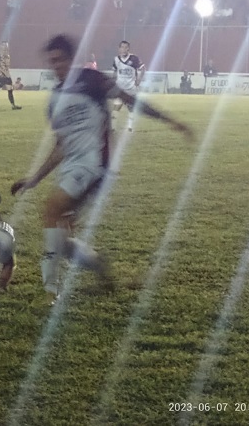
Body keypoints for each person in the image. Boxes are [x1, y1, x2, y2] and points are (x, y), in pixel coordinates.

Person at [11, 34, 193, 305]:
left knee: (50, 211)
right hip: (72, 167)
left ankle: (50, 292)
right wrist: (34, 179)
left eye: (60, 60)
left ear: (72, 59)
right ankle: (97, 264)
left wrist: (170, 120)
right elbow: (61, 146)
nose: (56, 66)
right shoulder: (54, 100)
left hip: (97, 164)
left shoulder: (91, 80)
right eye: (52, 61)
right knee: (61, 236)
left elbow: (130, 99)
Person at [112, 40, 145, 132]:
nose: (124, 49)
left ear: (128, 49)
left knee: (131, 108)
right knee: (116, 108)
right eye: (122, 47)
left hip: (131, 89)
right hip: (120, 89)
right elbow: (115, 71)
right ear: (119, 49)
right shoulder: (116, 59)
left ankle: (130, 128)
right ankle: (113, 128)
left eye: (126, 47)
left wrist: (138, 80)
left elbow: (143, 69)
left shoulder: (134, 58)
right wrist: (113, 81)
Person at [0, 41, 22, 110]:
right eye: (4, 46)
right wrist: (5, 73)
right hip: (0, 76)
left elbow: (7, 67)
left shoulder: (8, 56)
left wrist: (8, 74)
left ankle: (13, 106)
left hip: (7, 76)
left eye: (6, 46)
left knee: (10, 90)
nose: (5, 47)